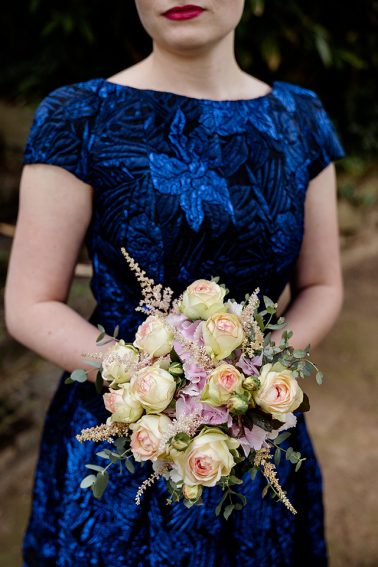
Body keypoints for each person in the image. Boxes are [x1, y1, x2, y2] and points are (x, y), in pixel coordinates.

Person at [5, 1, 345, 565]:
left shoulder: (302, 119)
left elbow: (323, 285)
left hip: (255, 444)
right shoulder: (78, 116)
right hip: (121, 444)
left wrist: (252, 384)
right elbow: (30, 302)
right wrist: (159, 387)